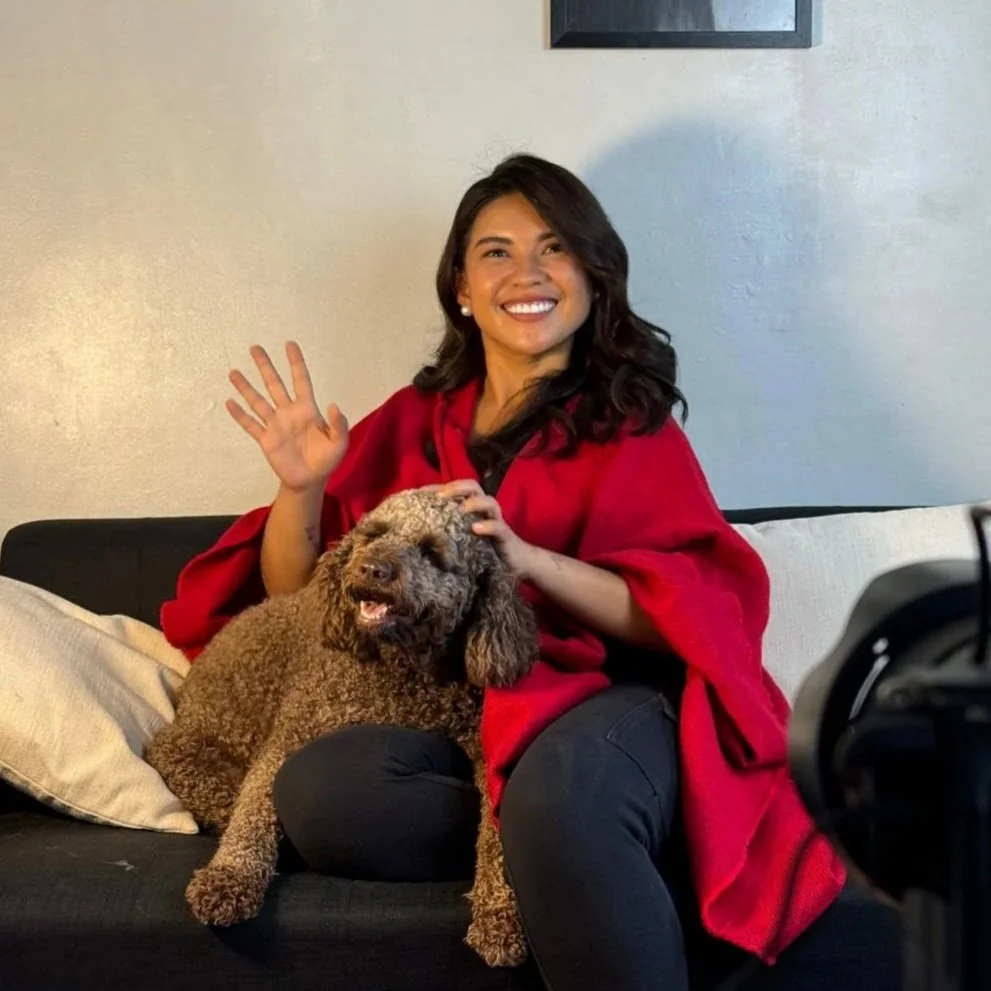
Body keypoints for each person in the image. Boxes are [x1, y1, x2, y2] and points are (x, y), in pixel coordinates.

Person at [160, 154, 899, 991]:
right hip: (452, 714)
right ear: (462, 288)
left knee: (560, 800)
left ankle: (576, 829)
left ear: (591, 278)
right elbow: (300, 596)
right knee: (322, 792)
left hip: (603, 697)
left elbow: (690, 615)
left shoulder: (632, 426)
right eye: (496, 252)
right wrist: (303, 488)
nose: (528, 273)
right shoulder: (408, 419)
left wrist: (532, 559)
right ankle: (573, 845)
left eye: (554, 249)